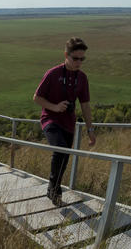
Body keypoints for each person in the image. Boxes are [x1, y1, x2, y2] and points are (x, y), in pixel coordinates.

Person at [33, 37, 96, 206]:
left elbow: (85, 106)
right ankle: (54, 192)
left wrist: (90, 130)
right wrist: (54, 107)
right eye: (75, 58)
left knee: (64, 160)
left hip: (69, 124)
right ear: (65, 55)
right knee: (59, 149)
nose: (79, 62)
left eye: (82, 59)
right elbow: (37, 98)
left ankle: (53, 188)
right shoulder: (52, 73)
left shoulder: (82, 78)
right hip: (50, 120)